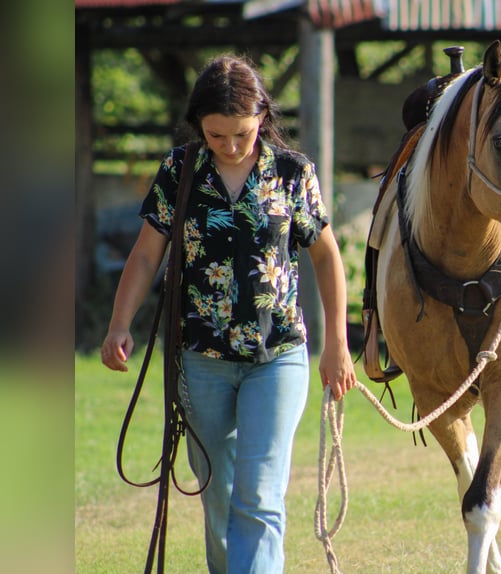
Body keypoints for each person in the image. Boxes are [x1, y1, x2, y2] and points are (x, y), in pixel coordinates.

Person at [101, 54, 356, 574]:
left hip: (278, 356)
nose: (231, 146)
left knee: (259, 498)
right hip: (202, 359)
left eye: (241, 133)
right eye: (217, 136)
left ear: (261, 116)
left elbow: (327, 256)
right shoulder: (180, 170)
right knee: (218, 497)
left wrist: (338, 344)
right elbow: (148, 253)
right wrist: (118, 324)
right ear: (199, 125)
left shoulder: (293, 172)